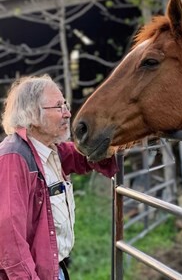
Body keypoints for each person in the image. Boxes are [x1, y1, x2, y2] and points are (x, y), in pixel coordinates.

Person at [0, 74, 118, 280]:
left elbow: (85, 155)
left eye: (65, 104)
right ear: (32, 114)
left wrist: (122, 138)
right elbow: (9, 233)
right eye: (58, 107)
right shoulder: (14, 157)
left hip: (53, 269)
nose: (67, 113)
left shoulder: (52, 150)